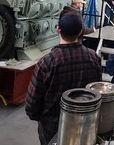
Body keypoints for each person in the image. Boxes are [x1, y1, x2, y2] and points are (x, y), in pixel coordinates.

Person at [25, 12, 102, 144]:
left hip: (52, 127)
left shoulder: (48, 62)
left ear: (58, 30)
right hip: (84, 124)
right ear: (80, 32)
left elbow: (32, 103)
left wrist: (40, 118)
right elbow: (96, 91)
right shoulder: (93, 57)